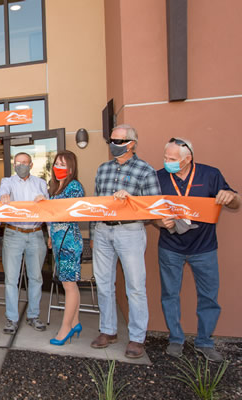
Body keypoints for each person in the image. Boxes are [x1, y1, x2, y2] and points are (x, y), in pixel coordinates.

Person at [155, 138, 239, 362]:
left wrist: (230, 197)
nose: (166, 162)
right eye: (165, 157)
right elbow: (151, 213)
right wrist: (160, 223)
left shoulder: (211, 175)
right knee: (170, 295)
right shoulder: (159, 177)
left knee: (209, 297)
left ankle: (204, 342)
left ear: (187, 159)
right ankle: (175, 339)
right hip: (170, 247)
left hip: (205, 248)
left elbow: (236, 201)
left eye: (172, 159)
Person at [90, 124, 162, 359]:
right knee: (103, 283)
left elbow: (153, 209)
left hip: (129, 231)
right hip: (102, 231)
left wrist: (131, 201)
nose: (113, 145)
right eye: (111, 140)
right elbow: (97, 204)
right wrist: (93, 233)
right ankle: (108, 330)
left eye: (118, 141)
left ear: (131, 143)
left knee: (135, 286)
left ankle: (137, 338)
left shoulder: (145, 170)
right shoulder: (103, 169)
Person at [0, 152, 48, 335]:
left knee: (36, 278)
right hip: (14, 234)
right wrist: (3, 197)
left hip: (35, 234)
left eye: (25, 162)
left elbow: (48, 210)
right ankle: (11, 319)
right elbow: (2, 193)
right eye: (18, 163)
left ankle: (33, 315)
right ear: (14, 164)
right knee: (11, 279)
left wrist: (49, 233)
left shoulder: (41, 183)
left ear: (31, 165)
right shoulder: (8, 182)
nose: (21, 165)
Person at [47, 151, 84, 346]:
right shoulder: (55, 187)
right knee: (68, 284)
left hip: (70, 241)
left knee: (69, 285)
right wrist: (51, 235)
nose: (58, 167)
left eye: (62, 164)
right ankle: (75, 322)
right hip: (58, 240)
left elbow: (69, 212)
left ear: (71, 167)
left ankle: (66, 327)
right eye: (56, 163)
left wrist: (45, 205)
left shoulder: (74, 186)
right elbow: (51, 216)